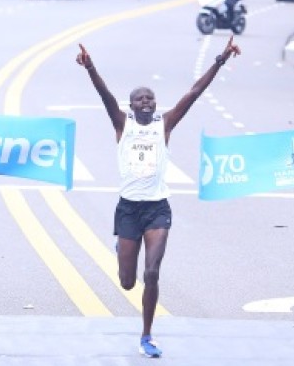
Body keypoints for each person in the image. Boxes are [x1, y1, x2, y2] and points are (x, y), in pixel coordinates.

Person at [75, 37, 242, 358]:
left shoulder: (163, 125)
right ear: (131, 105)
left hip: (157, 209)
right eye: (140, 99)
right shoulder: (121, 123)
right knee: (126, 282)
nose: (147, 102)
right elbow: (105, 95)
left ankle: (147, 335)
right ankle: (124, 250)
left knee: (151, 273)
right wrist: (90, 67)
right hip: (127, 209)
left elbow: (193, 94)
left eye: (150, 98)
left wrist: (221, 59)